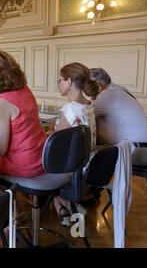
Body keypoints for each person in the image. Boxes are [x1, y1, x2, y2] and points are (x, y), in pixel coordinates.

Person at [0, 51, 49, 200]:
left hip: (25, 164)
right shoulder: (25, 89)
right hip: (42, 158)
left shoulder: (2, 102)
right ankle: (16, 211)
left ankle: (3, 214)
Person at [50, 62, 99, 226]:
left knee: (34, 167)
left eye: (59, 81)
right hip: (87, 163)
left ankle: (64, 205)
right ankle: (66, 205)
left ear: (69, 82)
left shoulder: (70, 109)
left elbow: (54, 145)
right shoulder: (88, 105)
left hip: (72, 168)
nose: (58, 85)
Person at [90, 68, 147, 166]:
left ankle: (86, 181)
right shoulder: (121, 90)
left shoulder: (106, 95)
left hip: (138, 153)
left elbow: (83, 115)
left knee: (84, 153)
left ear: (97, 84)